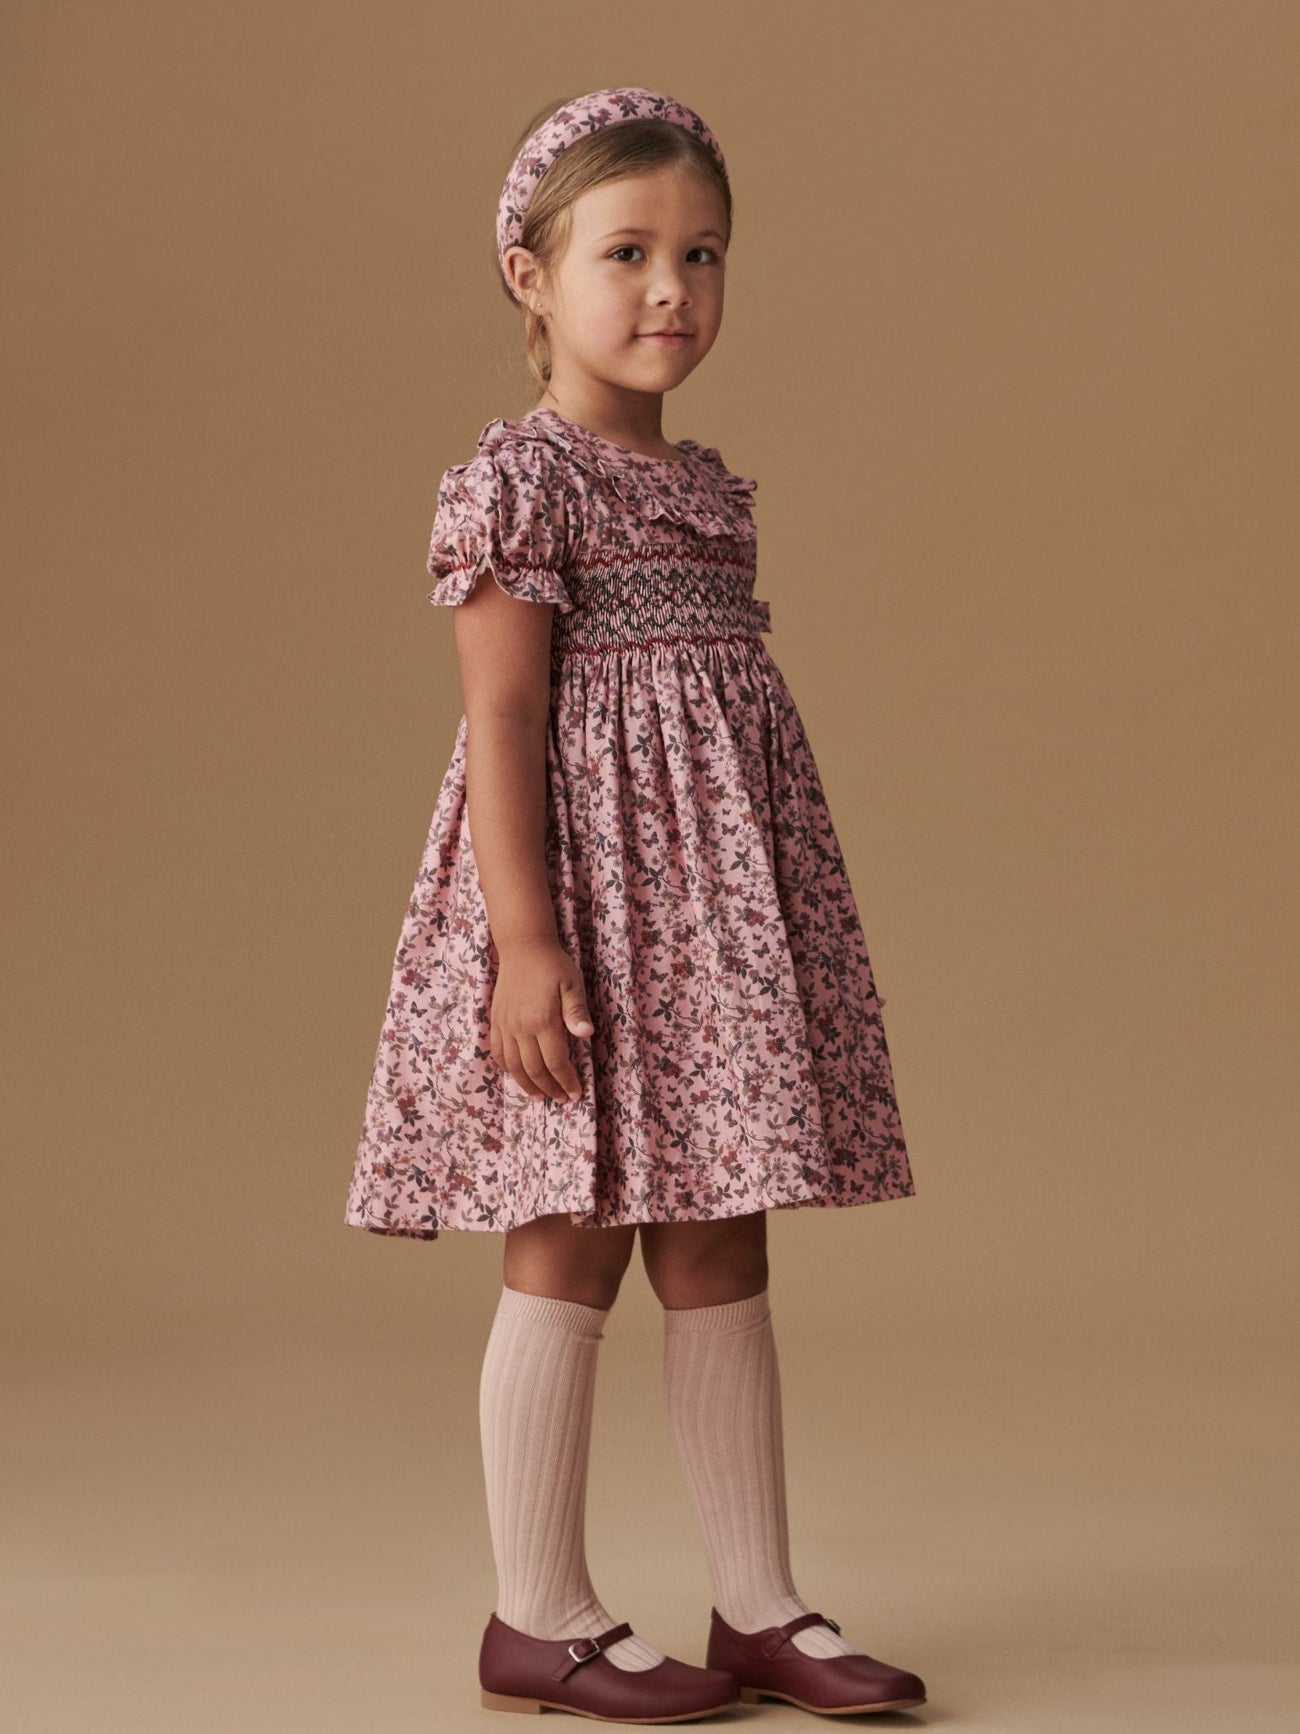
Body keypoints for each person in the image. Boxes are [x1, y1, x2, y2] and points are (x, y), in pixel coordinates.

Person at [345, 86, 926, 1723]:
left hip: (715, 910)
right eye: (627, 253)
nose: (671, 288)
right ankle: (538, 1612)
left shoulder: (710, 486)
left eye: (702, 253)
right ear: (529, 274)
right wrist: (528, 942)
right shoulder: (519, 482)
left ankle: (762, 1602)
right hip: (583, 904)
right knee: (570, 1233)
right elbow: (508, 718)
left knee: (721, 1235)